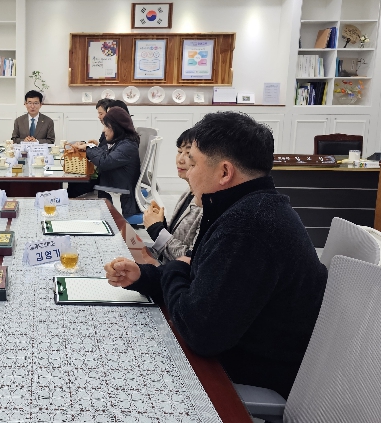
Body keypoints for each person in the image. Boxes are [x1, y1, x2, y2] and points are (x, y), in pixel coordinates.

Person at [104, 112, 327, 398]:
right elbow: (200, 278)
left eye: (194, 162)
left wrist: (173, 269)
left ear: (224, 172)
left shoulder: (247, 227)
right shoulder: (248, 207)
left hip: (249, 371)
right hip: (236, 346)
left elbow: (200, 333)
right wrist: (144, 277)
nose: (187, 171)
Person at [143, 128, 202, 264]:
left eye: (188, 154)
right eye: (179, 152)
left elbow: (191, 260)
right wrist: (161, 223)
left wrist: (157, 230)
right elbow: (176, 236)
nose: (180, 160)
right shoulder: (188, 191)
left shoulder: (205, 204)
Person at [71, 107, 141, 217]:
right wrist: (88, 146)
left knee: (73, 190)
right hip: (113, 184)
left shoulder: (127, 146)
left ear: (116, 128)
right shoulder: (122, 142)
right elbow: (104, 152)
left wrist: (88, 148)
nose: (104, 130)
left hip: (119, 198)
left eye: (107, 126)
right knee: (73, 187)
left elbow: (105, 161)